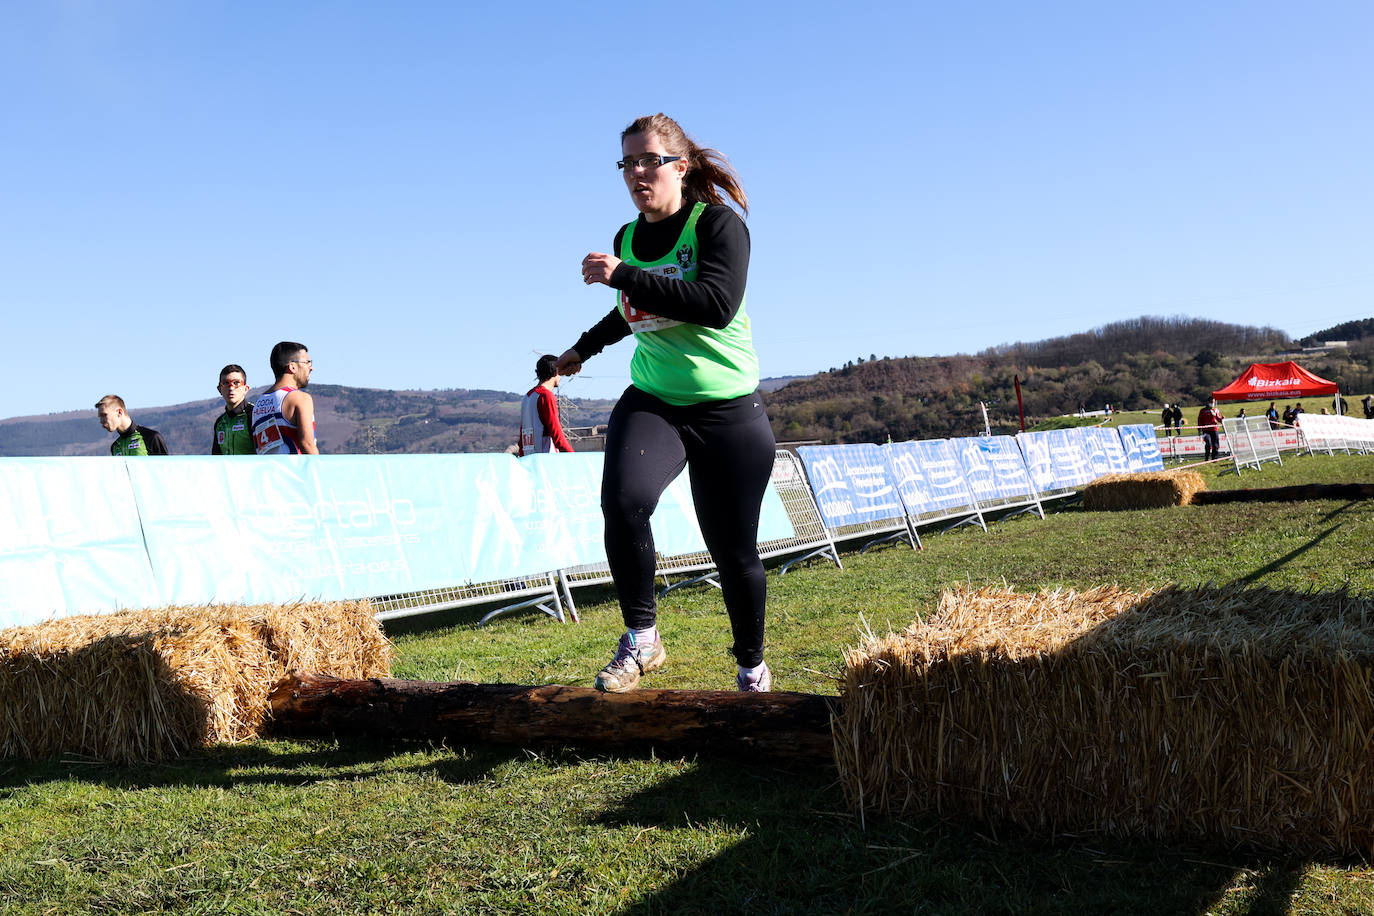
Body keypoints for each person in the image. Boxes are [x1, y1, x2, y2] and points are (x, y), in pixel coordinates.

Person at [560, 112, 775, 693]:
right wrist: (580, 351)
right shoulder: (626, 239)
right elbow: (631, 310)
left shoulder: (718, 226)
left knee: (733, 552)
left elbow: (715, 303)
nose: (636, 172)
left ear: (680, 167)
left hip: (729, 410)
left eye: (648, 160)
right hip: (655, 400)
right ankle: (642, 636)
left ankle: (751, 666)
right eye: (626, 162)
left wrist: (625, 274)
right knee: (624, 501)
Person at [251, 341, 319, 454]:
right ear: (292, 366)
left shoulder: (258, 403)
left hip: (268, 471)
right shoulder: (300, 398)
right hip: (294, 471)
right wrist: (321, 471)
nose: (311, 368)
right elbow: (307, 445)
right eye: (307, 362)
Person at [517, 354, 575, 456]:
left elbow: (522, 437)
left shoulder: (527, 397)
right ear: (556, 372)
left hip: (528, 460)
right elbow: (557, 436)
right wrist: (573, 457)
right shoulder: (546, 396)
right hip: (546, 462)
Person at [95, 395, 169, 455]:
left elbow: (166, 470)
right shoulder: (115, 447)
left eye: (104, 415)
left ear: (119, 412)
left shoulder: (152, 437)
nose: (101, 421)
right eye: (100, 417)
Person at [211, 364, 256, 455]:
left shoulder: (255, 415)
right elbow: (216, 460)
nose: (231, 388)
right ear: (220, 389)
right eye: (226, 383)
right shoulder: (220, 423)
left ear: (245, 389)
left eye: (236, 383)